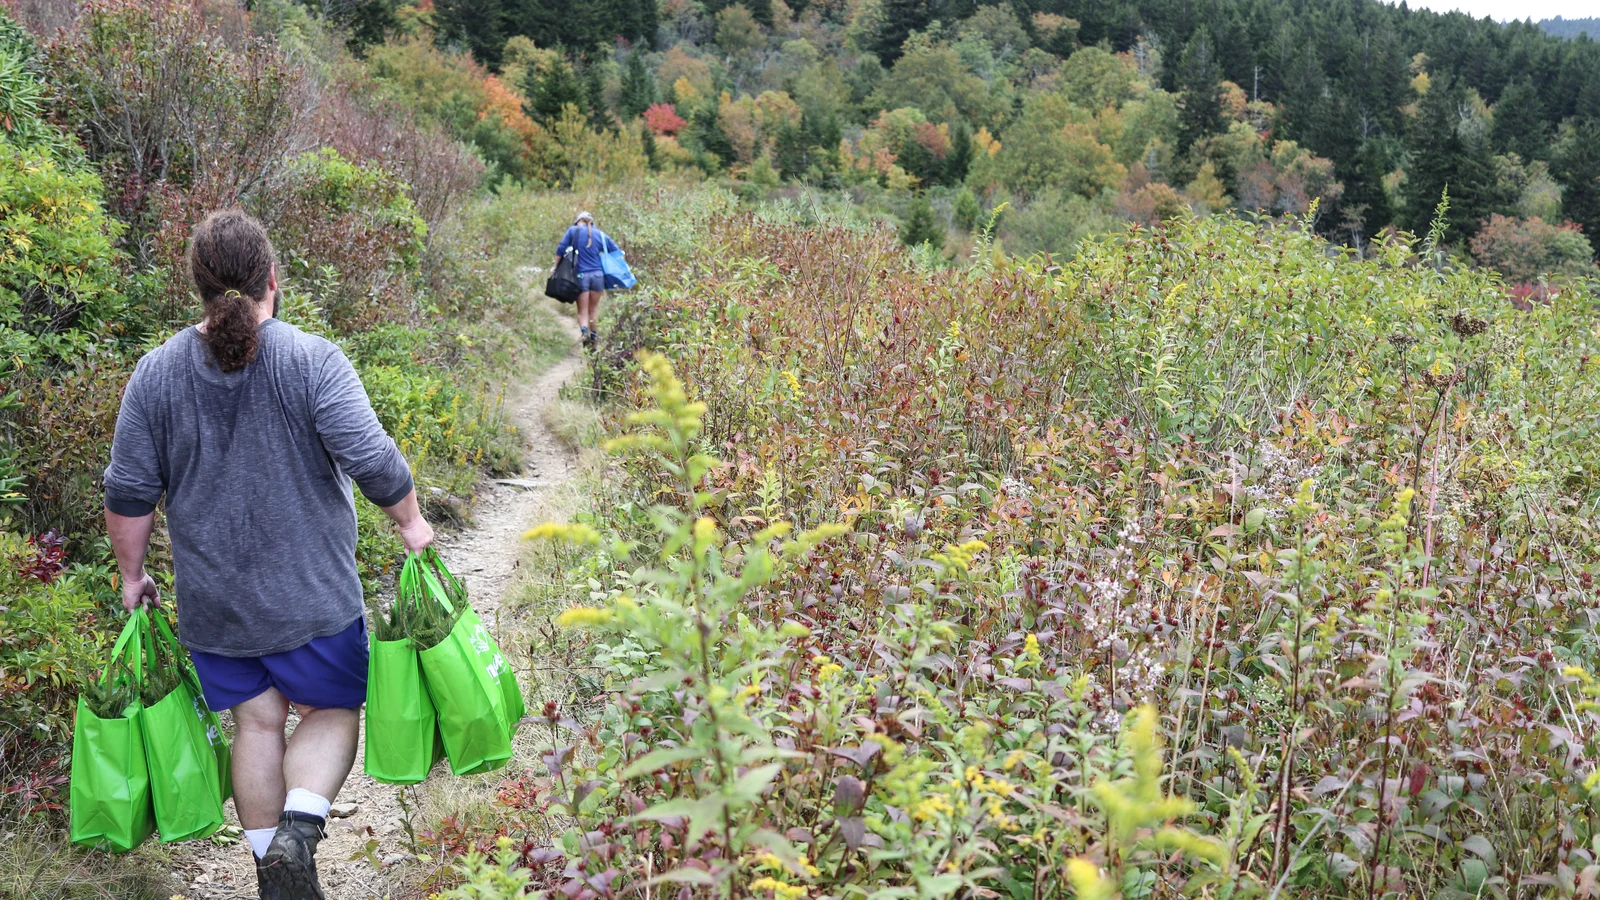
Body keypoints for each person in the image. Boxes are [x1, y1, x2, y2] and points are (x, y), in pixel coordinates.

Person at [103, 209, 433, 900]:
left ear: (197, 287)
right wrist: (409, 522)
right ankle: (299, 833)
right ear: (272, 279)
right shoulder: (311, 360)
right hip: (310, 595)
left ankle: (269, 874)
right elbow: (370, 457)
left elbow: (129, 493)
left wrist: (132, 576)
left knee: (255, 723)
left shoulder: (156, 374)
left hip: (214, 605)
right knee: (331, 710)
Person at [554, 211, 622, 347]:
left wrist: (555, 267)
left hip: (581, 276)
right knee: (594, 309)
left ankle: (585, 334)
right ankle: (594, 336)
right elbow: (616, 252)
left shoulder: (574, 231)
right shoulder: (600, 234)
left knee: (582, 311)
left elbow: (561, 249)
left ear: (579, 222)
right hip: (598, 276)